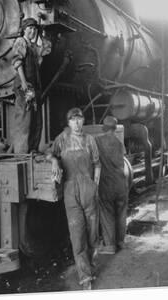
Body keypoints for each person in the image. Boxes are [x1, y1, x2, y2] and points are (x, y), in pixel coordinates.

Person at [47, 108, 101, 290]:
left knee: (92, 235)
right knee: (77, 237)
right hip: (71, 192)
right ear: (68, 122)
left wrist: (95, 186)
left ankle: (91, 266)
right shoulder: (62, 138)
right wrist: (54, 161)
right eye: (73, 120)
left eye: (79, 119)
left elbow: (97, 164)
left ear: (83, 121)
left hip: (89, 190)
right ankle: (85, 277)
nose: (77, 123)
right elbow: (50, 153)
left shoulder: (90, 140)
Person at [10, 17, 50, 153]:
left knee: (37, 121)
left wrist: (42, 33)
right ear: (24, 30)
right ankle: (22, 153)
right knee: (24, 120)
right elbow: (17, 62)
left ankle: (33, 149)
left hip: (34, 88)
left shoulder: (33, 47)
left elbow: (46, 50)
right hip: (25, 88)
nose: (32, 31)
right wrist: (23, 82)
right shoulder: (21, 42)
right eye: (30, 29)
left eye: (34, 29)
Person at [95, 116, 129, 254]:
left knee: (107, 213)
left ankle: (109, 246)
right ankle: (120, 242)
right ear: (115, 129)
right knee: (121, 213)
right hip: (121, 184)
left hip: (107, 184)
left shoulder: (98, 141)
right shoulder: (119, 143)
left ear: (104, 128)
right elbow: (124, 158)